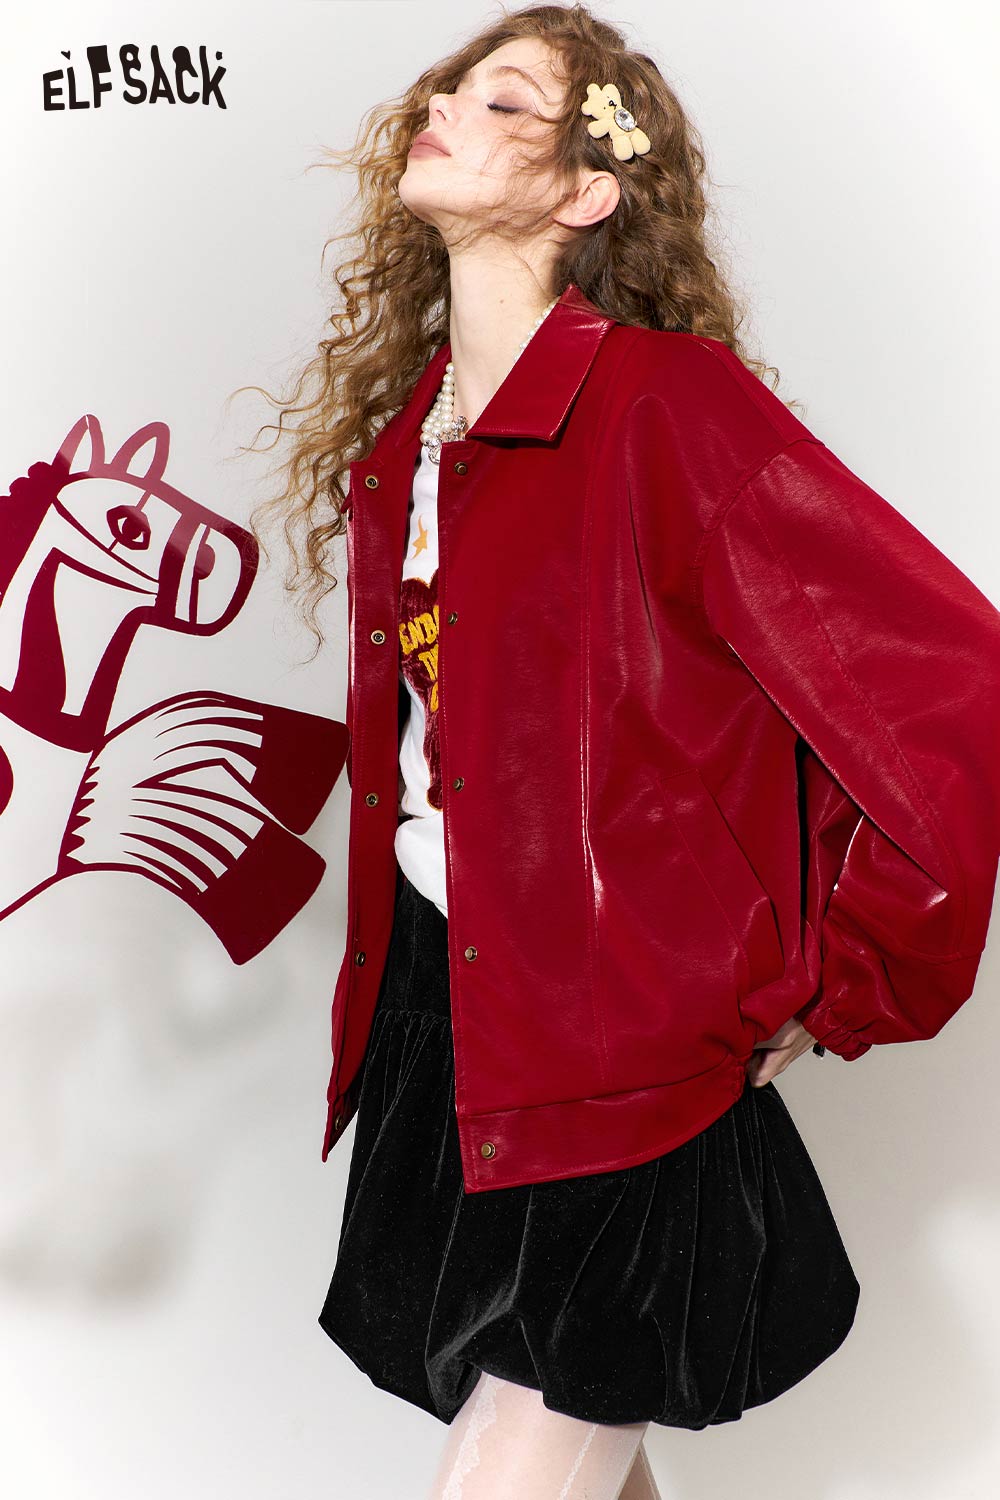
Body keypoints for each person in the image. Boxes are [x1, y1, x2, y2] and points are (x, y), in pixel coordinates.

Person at [246, 6, 1000, 1497]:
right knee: (570, 1437)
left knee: (527, 1447)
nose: (446, 107)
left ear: (587, 192)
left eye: (505, 102)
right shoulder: (412, 448)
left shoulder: (667, 404)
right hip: (444, 1006)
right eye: (451, 88)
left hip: (618, 1043)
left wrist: (852, 971)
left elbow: (947, 680)